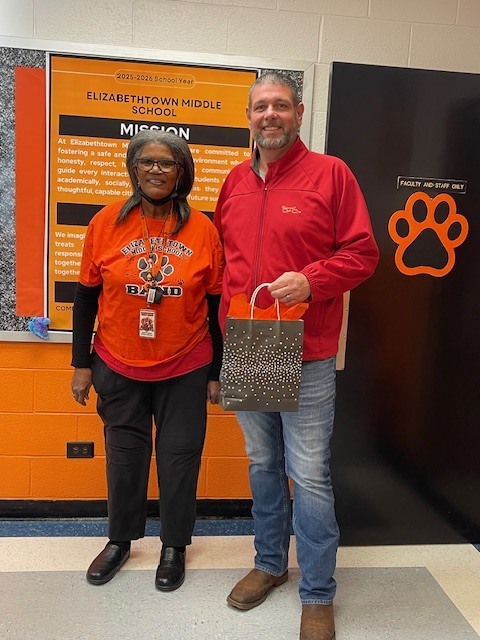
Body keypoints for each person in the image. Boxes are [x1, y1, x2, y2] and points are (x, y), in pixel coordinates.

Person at [214, 71, 379, 640]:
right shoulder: (233, 182)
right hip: (251, 344)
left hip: (304, 351)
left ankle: (317, 592)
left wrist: (311, 281)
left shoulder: (331, 175)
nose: (270, 115)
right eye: (261, 106)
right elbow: (225, 269)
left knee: (307, 476)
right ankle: (268, 564)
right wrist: (221, 350)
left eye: (280, 105)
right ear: (249, 116)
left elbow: (363, 254)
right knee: (262, 466)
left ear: (299, 112)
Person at [70, 130, 224, 591]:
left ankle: (174, 545)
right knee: (124, 457)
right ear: (133, 168)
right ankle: (119, 540)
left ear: (183, 172)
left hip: (186, 364)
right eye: (147, 162)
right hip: (117, 361)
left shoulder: (203, 229)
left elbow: (216, 306)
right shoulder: (105, 223)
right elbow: (84, 297)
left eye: (167, 163)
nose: (156, 170)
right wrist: (81, 363)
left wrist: (217, 372)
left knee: (179, 458)